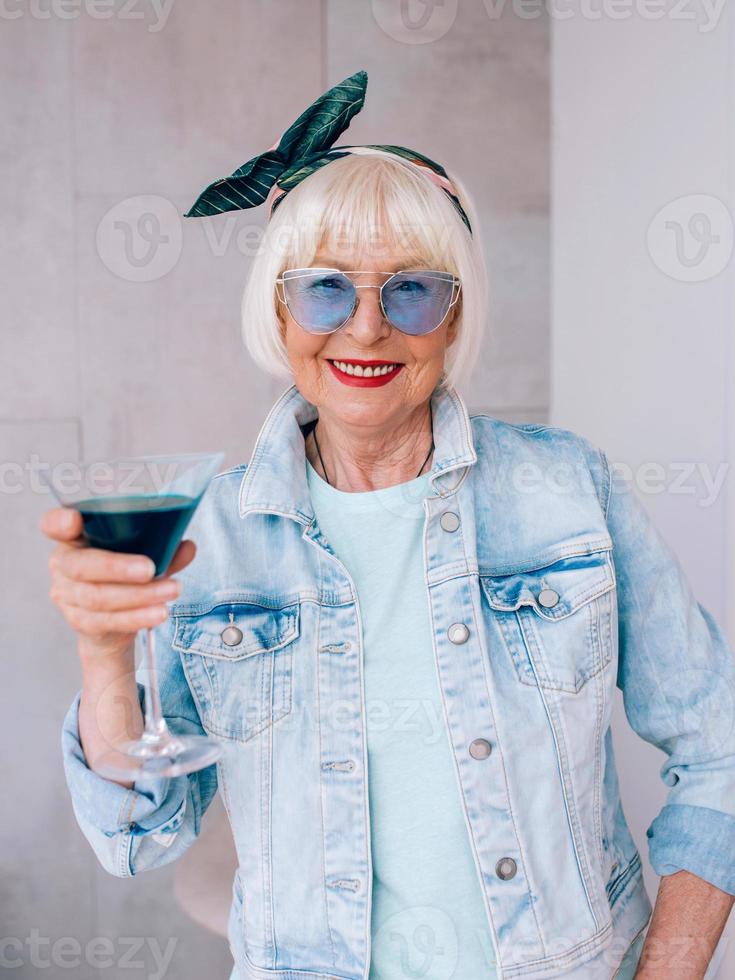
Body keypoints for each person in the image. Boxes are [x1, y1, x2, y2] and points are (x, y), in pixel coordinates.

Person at [41, 71, 735, 980]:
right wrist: (102, 653)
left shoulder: (568, 488)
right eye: (323, 289)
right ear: (278, 308)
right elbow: (138, 832)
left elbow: (719, 746)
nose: (365, 329)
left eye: (411, 290)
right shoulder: (211, 536)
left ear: (454, 317)